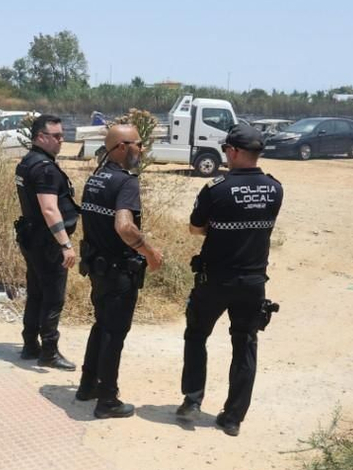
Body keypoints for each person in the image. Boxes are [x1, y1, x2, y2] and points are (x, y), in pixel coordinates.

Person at [176, 121, 284, 437]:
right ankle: (233, 417)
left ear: (234, 151)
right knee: (245, 343)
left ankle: (192, 401)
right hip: (253, 282)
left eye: (226, 149)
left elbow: (196, 228)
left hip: (215, 280)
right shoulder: (275, 188)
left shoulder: (216, 189)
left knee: (196, 335)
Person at [76, 124, 162, 418]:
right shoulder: (127, 183)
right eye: (139, 144)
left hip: (97, 268)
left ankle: (88, 385)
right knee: (114, 333)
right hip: (117, 272)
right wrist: (150, 252)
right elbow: (124, 227)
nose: (142, 149)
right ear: (123, 147)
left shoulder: (96, 178)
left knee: (101, 326)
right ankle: (107, 400)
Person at [13, 113, 78, 370]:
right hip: (47, 241)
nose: (62, 140)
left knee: (37, 293)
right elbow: (50, 209)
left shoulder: (27, 162)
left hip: (31, 236)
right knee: (53, 297)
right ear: (41, 137)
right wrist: (65, 244)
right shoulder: (45, 168)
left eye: (62, 135)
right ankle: (48, 351)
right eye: (57, 136)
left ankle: (30, 345)